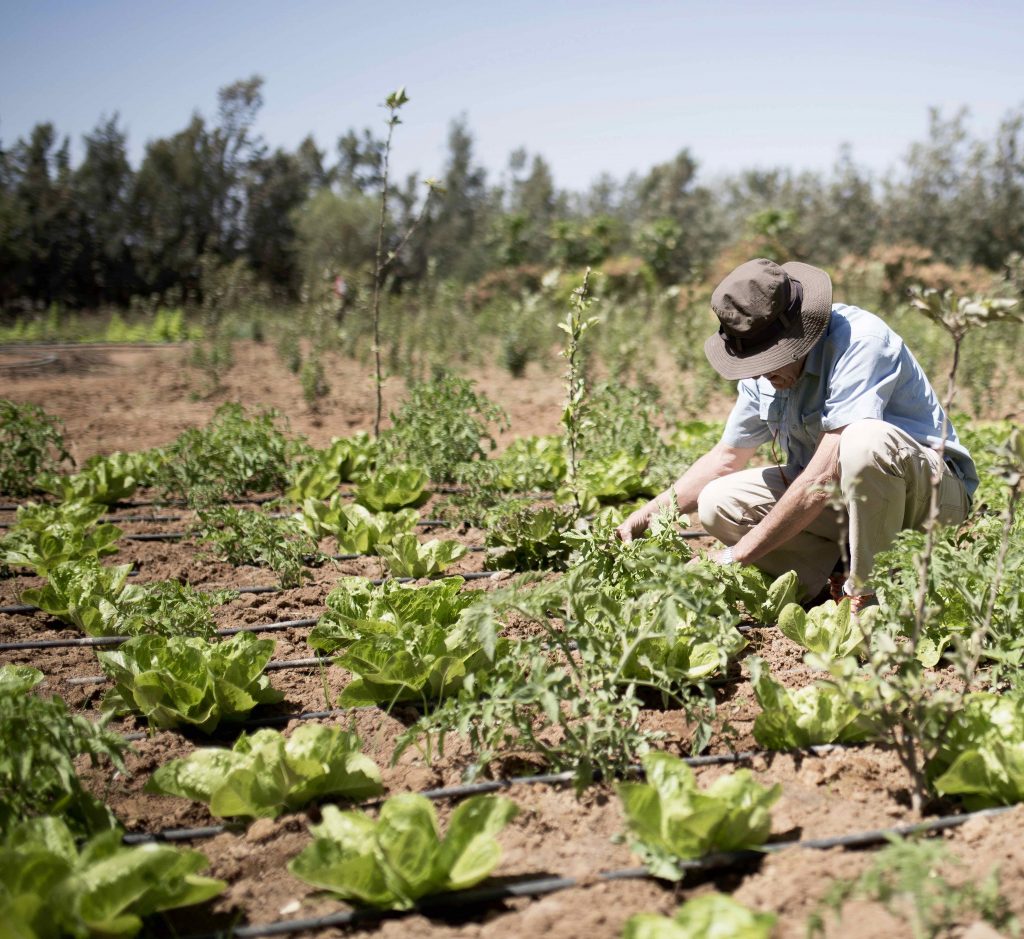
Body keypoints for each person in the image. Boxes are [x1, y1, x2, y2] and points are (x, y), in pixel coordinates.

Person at [615, 258, 977, 611]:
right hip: (848, 503)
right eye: (752, 363)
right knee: (718, 502)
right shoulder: (765, 375)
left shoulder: (860, 341)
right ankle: (829, 578)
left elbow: (823, 474)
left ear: (800, 335)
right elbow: (726, 458)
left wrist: (735, 555)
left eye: (768, 360)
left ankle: (873, 598)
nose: (760, 373)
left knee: (863, 440)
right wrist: (648, 513)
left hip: (928, 501)